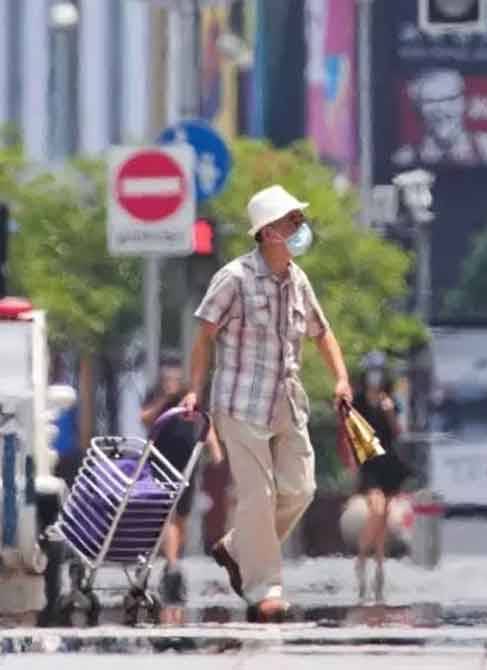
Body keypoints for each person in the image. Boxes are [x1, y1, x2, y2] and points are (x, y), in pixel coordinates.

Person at [181, 184, 353, 623]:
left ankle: (239, 548)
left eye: (299, 219)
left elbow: (322, 332)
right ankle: (265, 588)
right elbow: (203, 336)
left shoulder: (298, 280)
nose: (301, 227)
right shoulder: (234, 278)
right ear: (268, 232)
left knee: (301, 489)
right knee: (258, 496)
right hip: (239, 403)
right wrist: (194, 390)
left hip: (285, 401)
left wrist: (341, 379)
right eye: (292, 220)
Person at [140, 355, 224, 606]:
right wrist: (165, 399)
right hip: (162, 459)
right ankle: (172, 564)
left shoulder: (190, 397)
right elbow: (144, 418)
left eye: (176, 377)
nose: (172, 381)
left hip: (188, 462)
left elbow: (205, 423)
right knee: (168, 513)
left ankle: (172, 561)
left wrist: (215, 450)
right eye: (168, 377)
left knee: (182, 516)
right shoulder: (156, 396)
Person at [351, 351, 408, 601]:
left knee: (384, 516)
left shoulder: (391, 400)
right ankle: (362, 559)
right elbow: (352, 431)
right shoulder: (359, 401)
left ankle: (380, 566)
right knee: (376, 509)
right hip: (370, 462)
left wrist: (389, 412)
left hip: (389, 463)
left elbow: (398, 432)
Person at [392, 68, 487, 167]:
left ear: (464, 102)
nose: (442, 110)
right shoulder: (405, 159)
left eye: (450, 99)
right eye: (430, 101)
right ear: (417, 108)